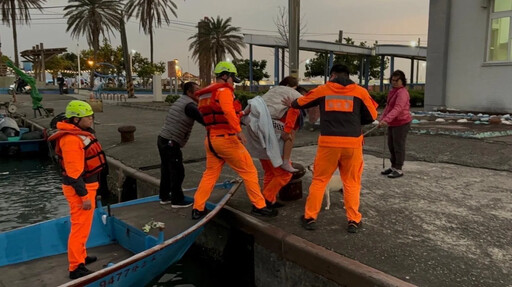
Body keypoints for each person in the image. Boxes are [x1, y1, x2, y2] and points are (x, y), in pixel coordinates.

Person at [283, 64, 378, 233]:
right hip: (353, 144)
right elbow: (372, 116)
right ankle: (353, 220)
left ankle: (310, 218)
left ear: (332, 75)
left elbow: (299, 103)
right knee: (351, 182)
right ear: (348, 76)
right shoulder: (360, 92)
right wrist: (354, 122)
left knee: (320, 180)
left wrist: (291, 102)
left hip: (328, 144)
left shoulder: (323, 90)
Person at [192, 61, 277, 219]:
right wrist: (238, 131)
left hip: (211, 140)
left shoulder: (205, 95)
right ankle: (259, 206)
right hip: (227, 140)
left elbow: (218, 115)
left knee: (210, 173)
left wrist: (243, 114)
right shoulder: (224, 91)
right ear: (225, 76)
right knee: (250, 171)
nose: (233, 82)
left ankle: (198, 208)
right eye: (232, 78)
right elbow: (228, 112)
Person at [47, 100, 107, 278]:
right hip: (81, 190)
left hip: (89, 186)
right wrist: (84, 197)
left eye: (91, 116)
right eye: (87, 117)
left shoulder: (79, 134)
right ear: (75, 120)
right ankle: (75, 267)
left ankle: (81, 256)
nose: (91, 120)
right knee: (79, 229)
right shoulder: (71, 140)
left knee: (83, 227)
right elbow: (74, 175)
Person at [158, 82, 204, 207]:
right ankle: (177, 200)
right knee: (177, 171)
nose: (199, 92)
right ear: (189, 92)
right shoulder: (190, 106)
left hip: (163, 138)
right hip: (171, 141)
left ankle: (164, 196)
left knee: (166, 170)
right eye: (197, 90)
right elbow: (205, 120)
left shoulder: (181, 100)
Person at [378, 70, 412, 178]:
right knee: (391, 145)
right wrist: (382, 119)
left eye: (397, 80)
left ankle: (399, 168)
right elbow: (388, 107)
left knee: (398, 146)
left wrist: (386, 120)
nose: (394, 82)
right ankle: (393, 166)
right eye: (392, 80)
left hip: (402, 122)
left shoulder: (402, 93)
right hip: (392, 123)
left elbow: (398, 108)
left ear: (402, 81)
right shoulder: (393, 91)